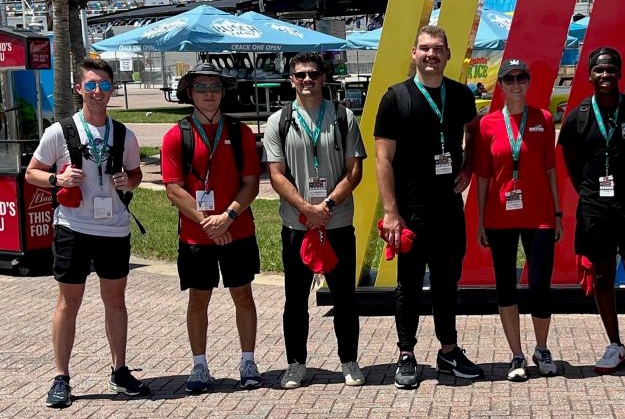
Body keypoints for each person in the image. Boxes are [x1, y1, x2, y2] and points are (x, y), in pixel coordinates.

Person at [25, 58, 148, 407]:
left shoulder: (124, 134)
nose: (97, 92)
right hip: (73, 227)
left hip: (113, 228)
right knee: (69, 302)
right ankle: (61, 376)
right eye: (91, 85)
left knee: (116, 300)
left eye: (104, 86)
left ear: (112, 90)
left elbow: (136, 174)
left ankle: (119, 371)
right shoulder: (59, 131)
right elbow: (32, 173)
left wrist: (130, 180)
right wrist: (56, 179)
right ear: (79, 89)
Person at [374, 25, 484, 389]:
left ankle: (448, 351)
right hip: (410, 210)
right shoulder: (395, 98)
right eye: (424, 48)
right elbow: (382, 159)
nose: (431, 55)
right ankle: (406, 354)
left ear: (449, 55)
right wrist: (390, 212)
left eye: (438, 48)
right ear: (413, 53)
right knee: (407, 284)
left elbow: (474, 130)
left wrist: (468, 165)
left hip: (449, 208)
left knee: (446, 283)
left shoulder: (460, 95)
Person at [559, 47, 625, 380]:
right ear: (590, 75)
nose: (605, 75)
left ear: (620, 74)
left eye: (610, 70)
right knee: (603, 277)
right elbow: (573, 164)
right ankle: (615, 345)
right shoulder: (578, 116)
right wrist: (592, 192)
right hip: (595, 209)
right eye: (599, 70)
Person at [265, 52, 367, 389]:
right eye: (300, 75)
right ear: (291, 80)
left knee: (344, 298)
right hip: (297, 225)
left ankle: (349, 361)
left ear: (324, 78)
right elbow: (276, 175)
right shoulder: (278, 121)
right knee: (295, 299)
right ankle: (296, 363)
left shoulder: (343, 117)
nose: (307, 80)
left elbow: (355, 170)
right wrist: (306, 208)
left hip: (336, 222)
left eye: (313, 74)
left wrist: (328, 203)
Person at [161, 63, 262, 394]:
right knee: (198, 299)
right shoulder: (177, 134)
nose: (209, 94)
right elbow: (174, 189)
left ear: (223, 93)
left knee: (243, 294)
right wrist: (209, 222)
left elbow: (251, 184)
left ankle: (248, 362)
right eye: (201, 88)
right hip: (196, 234)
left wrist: (227, 217)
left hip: (238, 229)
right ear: (189, 92)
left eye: (214, 88)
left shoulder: (240, 132)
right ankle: (199, 366)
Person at [475, 59, 563, 381]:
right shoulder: (487, 125)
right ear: (500, 85)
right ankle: (516, 355)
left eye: (520, 77)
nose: (515, 83)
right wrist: (482, 220)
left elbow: (551, 171)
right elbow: (483, 176)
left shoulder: (543, 119)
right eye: (508, 78)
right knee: (506, 286)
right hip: (500, 218)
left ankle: (541, 348)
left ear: (528, 82)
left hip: (539, 215)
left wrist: (557, 213)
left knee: (539, 284)